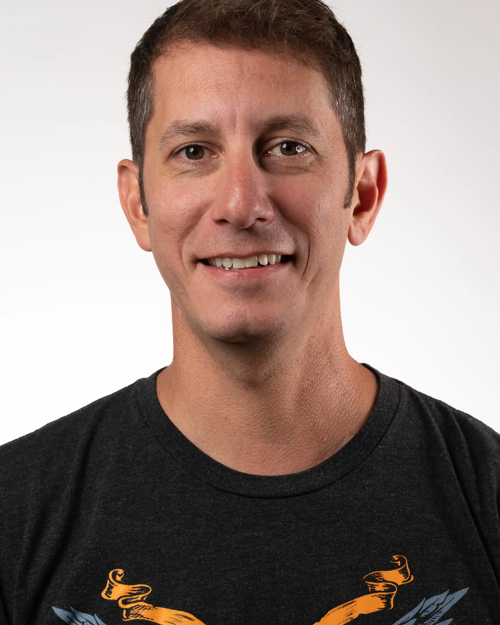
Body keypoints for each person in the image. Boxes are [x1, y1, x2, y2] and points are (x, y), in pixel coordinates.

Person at [1, 0, 499, 623]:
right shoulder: (14, 514)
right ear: (138, 204)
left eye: (288, 147)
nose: (239, 204)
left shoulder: (487, 498)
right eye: (193, 152)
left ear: (363, 195)